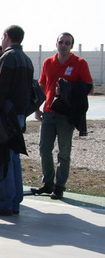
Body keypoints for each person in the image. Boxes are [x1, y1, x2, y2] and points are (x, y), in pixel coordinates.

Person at [30, 32, 93, 200]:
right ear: (56, 43)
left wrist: (67, 89)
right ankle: (47, 183)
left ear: (71, 46)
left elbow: (88, 87)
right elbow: (42, 85)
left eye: (67, 43)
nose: (64, 45)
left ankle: (60, 186)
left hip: (66, 115)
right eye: (61, 42)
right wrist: (37, 108)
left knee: (64, 152)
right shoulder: (48, 62)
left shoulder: (79, 63)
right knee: (44, 148)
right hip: (49, 113)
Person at [0, 25, 34, 216]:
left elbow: (0, 91)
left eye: (2, 37)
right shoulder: (26, 60)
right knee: (14, 158)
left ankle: (3, 202)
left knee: (3, 159)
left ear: (7, 37)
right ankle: (14, 201)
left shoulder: (8, 57)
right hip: (18, 115)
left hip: (5, 115)